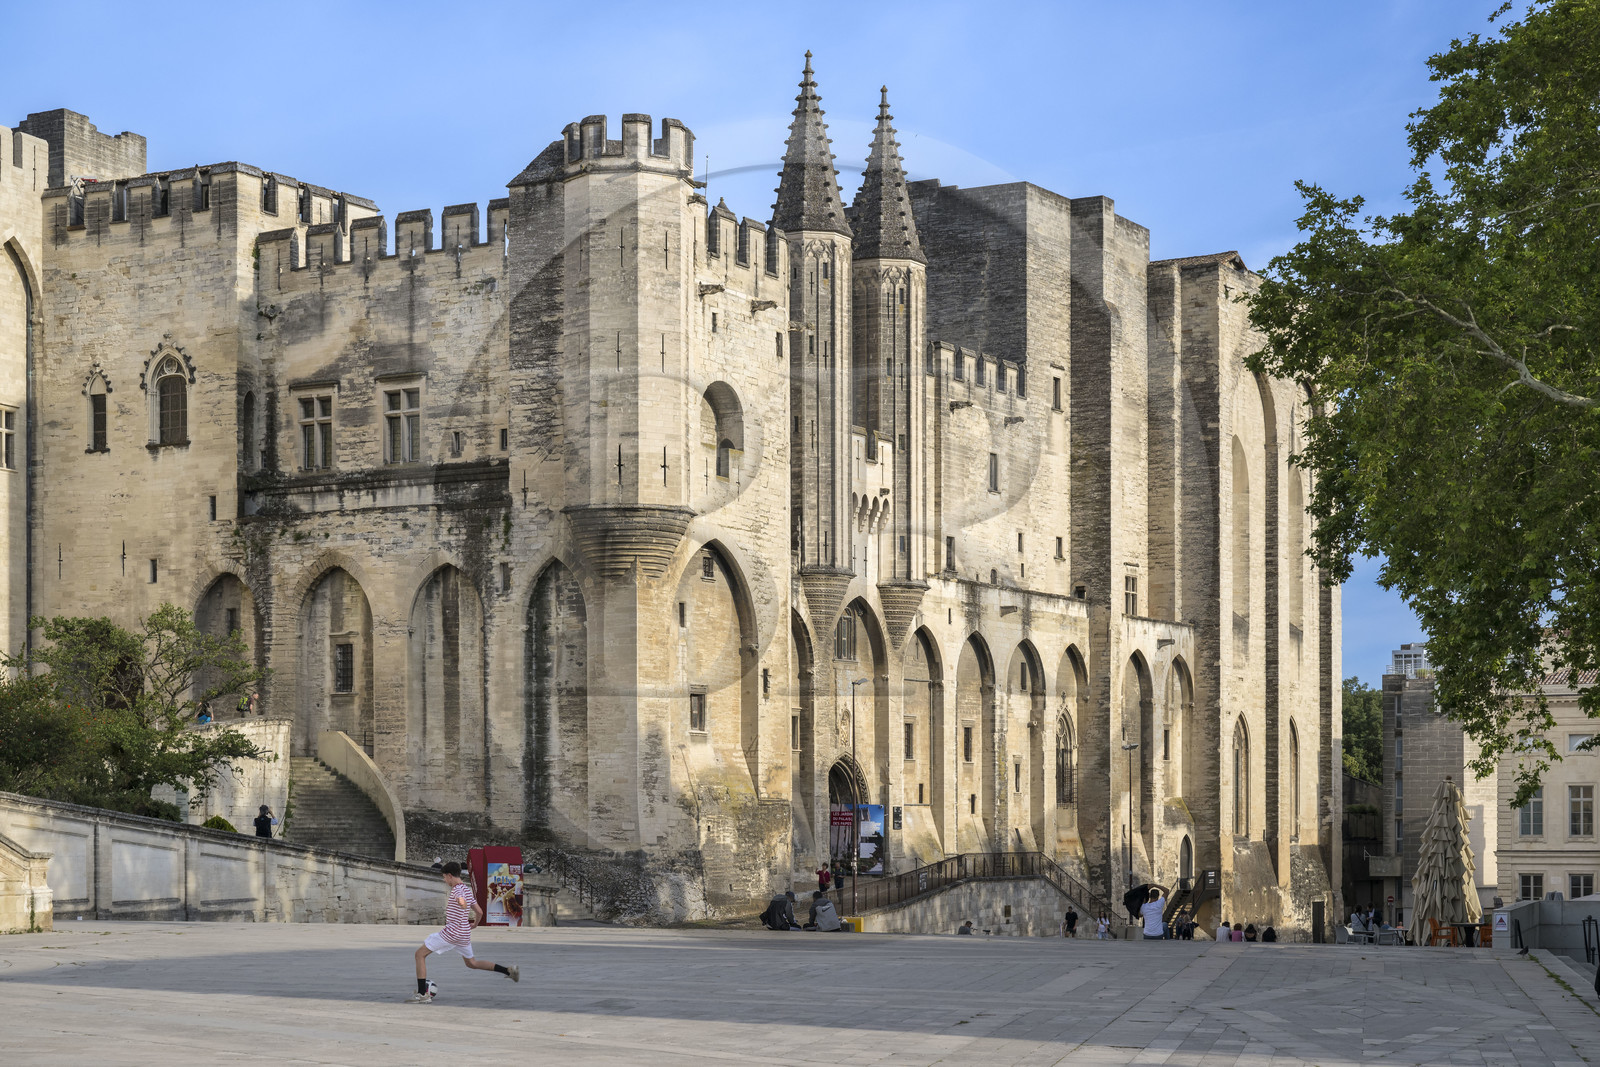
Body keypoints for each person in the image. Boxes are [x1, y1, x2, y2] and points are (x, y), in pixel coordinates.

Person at [410, 861, 519, 1002]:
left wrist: (462, 904)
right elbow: (479, 911)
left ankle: (422, 994)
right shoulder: (467, 889)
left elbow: (461, 901)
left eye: (444, 877)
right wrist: (474, 924)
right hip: (464, 934)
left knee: (419, 955)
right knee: (472, 963)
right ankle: (509, 971)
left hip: (451, 934)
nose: (444, 880)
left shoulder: (457, 890)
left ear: (450, 876)